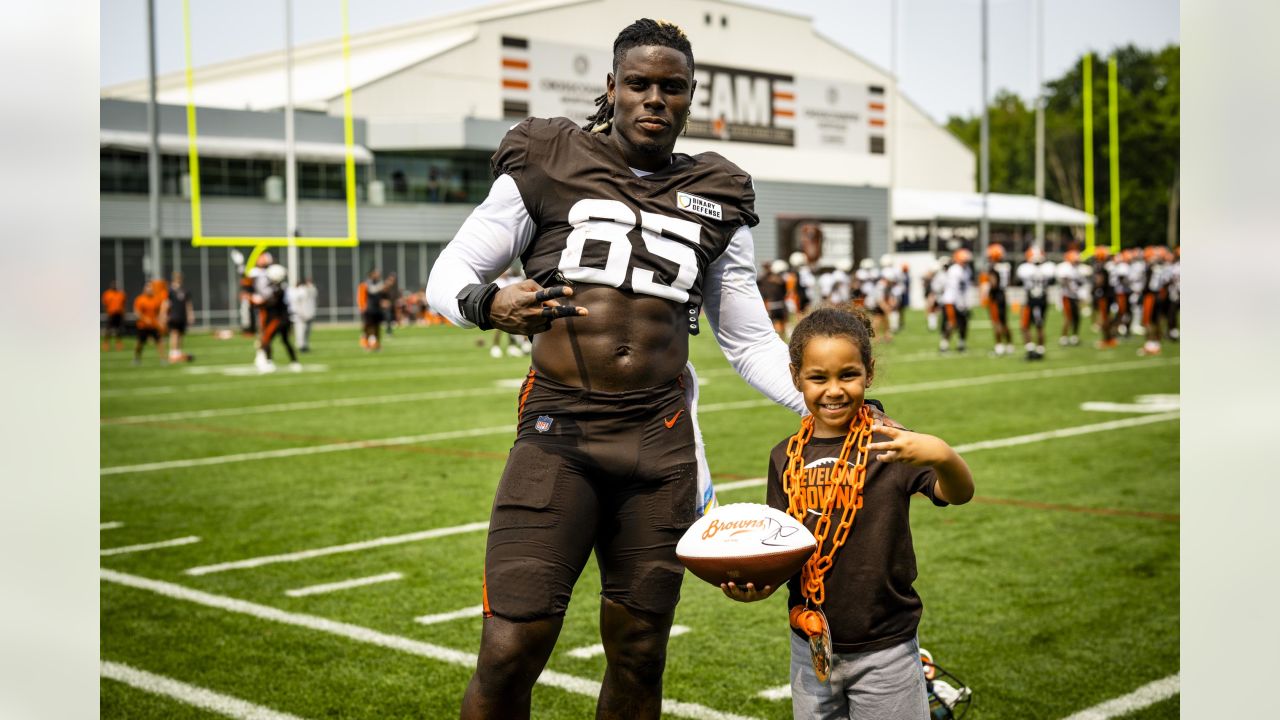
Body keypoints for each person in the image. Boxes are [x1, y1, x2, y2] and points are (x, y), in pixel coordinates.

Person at [424, 18, 812, 720]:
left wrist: (826, 406)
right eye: (639, 84)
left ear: (691, 99)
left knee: (639, 652)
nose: (654, 99)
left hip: (657, 445)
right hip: (559, 432)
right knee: (511, 646)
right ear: (611, 88)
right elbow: (449, 272)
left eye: (672, 87)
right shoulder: (548, 159)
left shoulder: (717, 194)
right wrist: (488, 302)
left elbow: (750, 342)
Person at [722, 307, 974, 720]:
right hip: (810, 644)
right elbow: (780, 544)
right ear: (795, 377)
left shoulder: (892, 442)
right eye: (818, 378)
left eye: (848, 375)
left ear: (869, 373)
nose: (833, 390)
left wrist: (943, 455)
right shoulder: (784, 456)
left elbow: (958, 494)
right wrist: (761, 583)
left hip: (886, 647)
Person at [253, 264, 301, 373]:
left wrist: (259, 302)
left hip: (278, 319)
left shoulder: (279, 289)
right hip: (283, 318)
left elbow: (272, 302)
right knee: (284, 341)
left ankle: (269, 362)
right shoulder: (280, 287)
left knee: (267, 340)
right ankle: (294, 362)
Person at [1016, 246, 1054, 360]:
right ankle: (1038, 349)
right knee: (1038, 326)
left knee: (1028, 326)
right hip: (1042, 299)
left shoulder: (1025, 268)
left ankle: (1034, 350)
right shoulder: (1048, 268)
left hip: (1033, 300)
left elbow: (1019, 280)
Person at [981, 244, 1013, 356]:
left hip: (995, 297)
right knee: (1004, 322)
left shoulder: (993, 267)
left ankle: (999, 347)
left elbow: (993, 284)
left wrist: (987, 289)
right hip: (1003, 295)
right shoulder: (1006, 266)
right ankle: (1009, 345)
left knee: (996, 322)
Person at [939, 248, 972, 353]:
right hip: (951, 300)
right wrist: (960, 304)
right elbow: (954, 289)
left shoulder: (967, 270)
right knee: (951, 323)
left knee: (964, 323)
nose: (965, 263)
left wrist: (966, 302)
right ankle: (944, 344)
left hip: (961, 300)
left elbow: (966, 288)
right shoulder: (954, 270)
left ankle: (961, 343)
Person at [160, 271, 196, 363]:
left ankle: (178, 353)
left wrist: (190, 315)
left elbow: (188, 304)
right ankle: (172, 353)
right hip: (173, 315)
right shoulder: (170, 290)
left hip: (182, 315)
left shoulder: (185, 291)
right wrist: (163, 315)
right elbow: (166, 303)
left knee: (180, 334)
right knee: (174, 333)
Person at [1056, 249, 1084, 347]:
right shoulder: (1065, 267)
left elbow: (1079, 282)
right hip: (1066, 295)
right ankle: (1064, 336)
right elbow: (1064, 280)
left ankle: (1074, 336)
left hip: (1075, 295)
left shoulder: (1076, 268)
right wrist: (1072, 290)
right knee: (1068, 317)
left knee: (1077, 317)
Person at [131, 282, 164, 365]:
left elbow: (159, 311)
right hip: (143, 326)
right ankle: (136, 358)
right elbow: (136, 312)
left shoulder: (156, 299)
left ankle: (163, 359)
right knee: (139, 343)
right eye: (148, 288)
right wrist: (144, 319)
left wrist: (159, 320)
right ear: (144, 289)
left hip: (153, 325)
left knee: (159, 341)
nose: (150, 289)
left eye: (151, 288)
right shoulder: (140, 299)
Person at [759, 259, 790, 338]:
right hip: (771, 305)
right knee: (775, 326)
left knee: (781, 325)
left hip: (777, 304)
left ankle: (781, 338)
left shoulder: (766, 279)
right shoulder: (763, 279)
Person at [357, 268, 385, 351]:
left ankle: (376, 344)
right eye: (376, 273)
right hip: (369, 309)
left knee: (377, 327)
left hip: (377, 309)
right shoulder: (366, 284)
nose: (378, 275)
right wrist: (362, 307)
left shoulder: (378, 283)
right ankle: (367, 343)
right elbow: (371, 291)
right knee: (368, 327)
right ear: (371, 274)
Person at [288, 276, 318, 352]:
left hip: (309, 313)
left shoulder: (310, 289)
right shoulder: (298, 291)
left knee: (307, 331)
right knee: (300, 330)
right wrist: (300, 313)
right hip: (300, 314)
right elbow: (297, 304)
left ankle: (305, 344)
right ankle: (300, 345)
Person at [101, 280, 126, 351]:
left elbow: (123, 304)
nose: (114, 286)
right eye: (113, 285)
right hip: (111, 314)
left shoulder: (121, 294)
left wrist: (123, 313)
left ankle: (118, 343)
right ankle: (106, 343)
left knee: (118, 330)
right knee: (108, 330)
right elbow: (104, 304)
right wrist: (106, 312)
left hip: (119, 314)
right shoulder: (107, 294)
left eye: (115, 285)